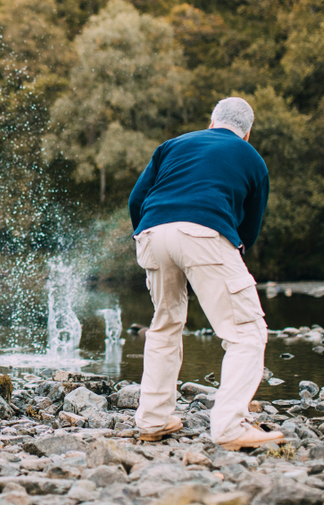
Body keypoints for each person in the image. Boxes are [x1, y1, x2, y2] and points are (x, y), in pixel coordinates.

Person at [128, 97, 284, 451]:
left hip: (152, 232)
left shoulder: (173, 145)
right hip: (204, 232)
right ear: (247, 132)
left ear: (211, 122)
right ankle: (229, 427)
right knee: (247, 332)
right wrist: (231, 251)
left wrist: (149, 235)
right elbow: (250, 227)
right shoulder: (252, 158)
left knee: (165, 325)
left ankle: (153, 420)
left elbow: (137, 199)